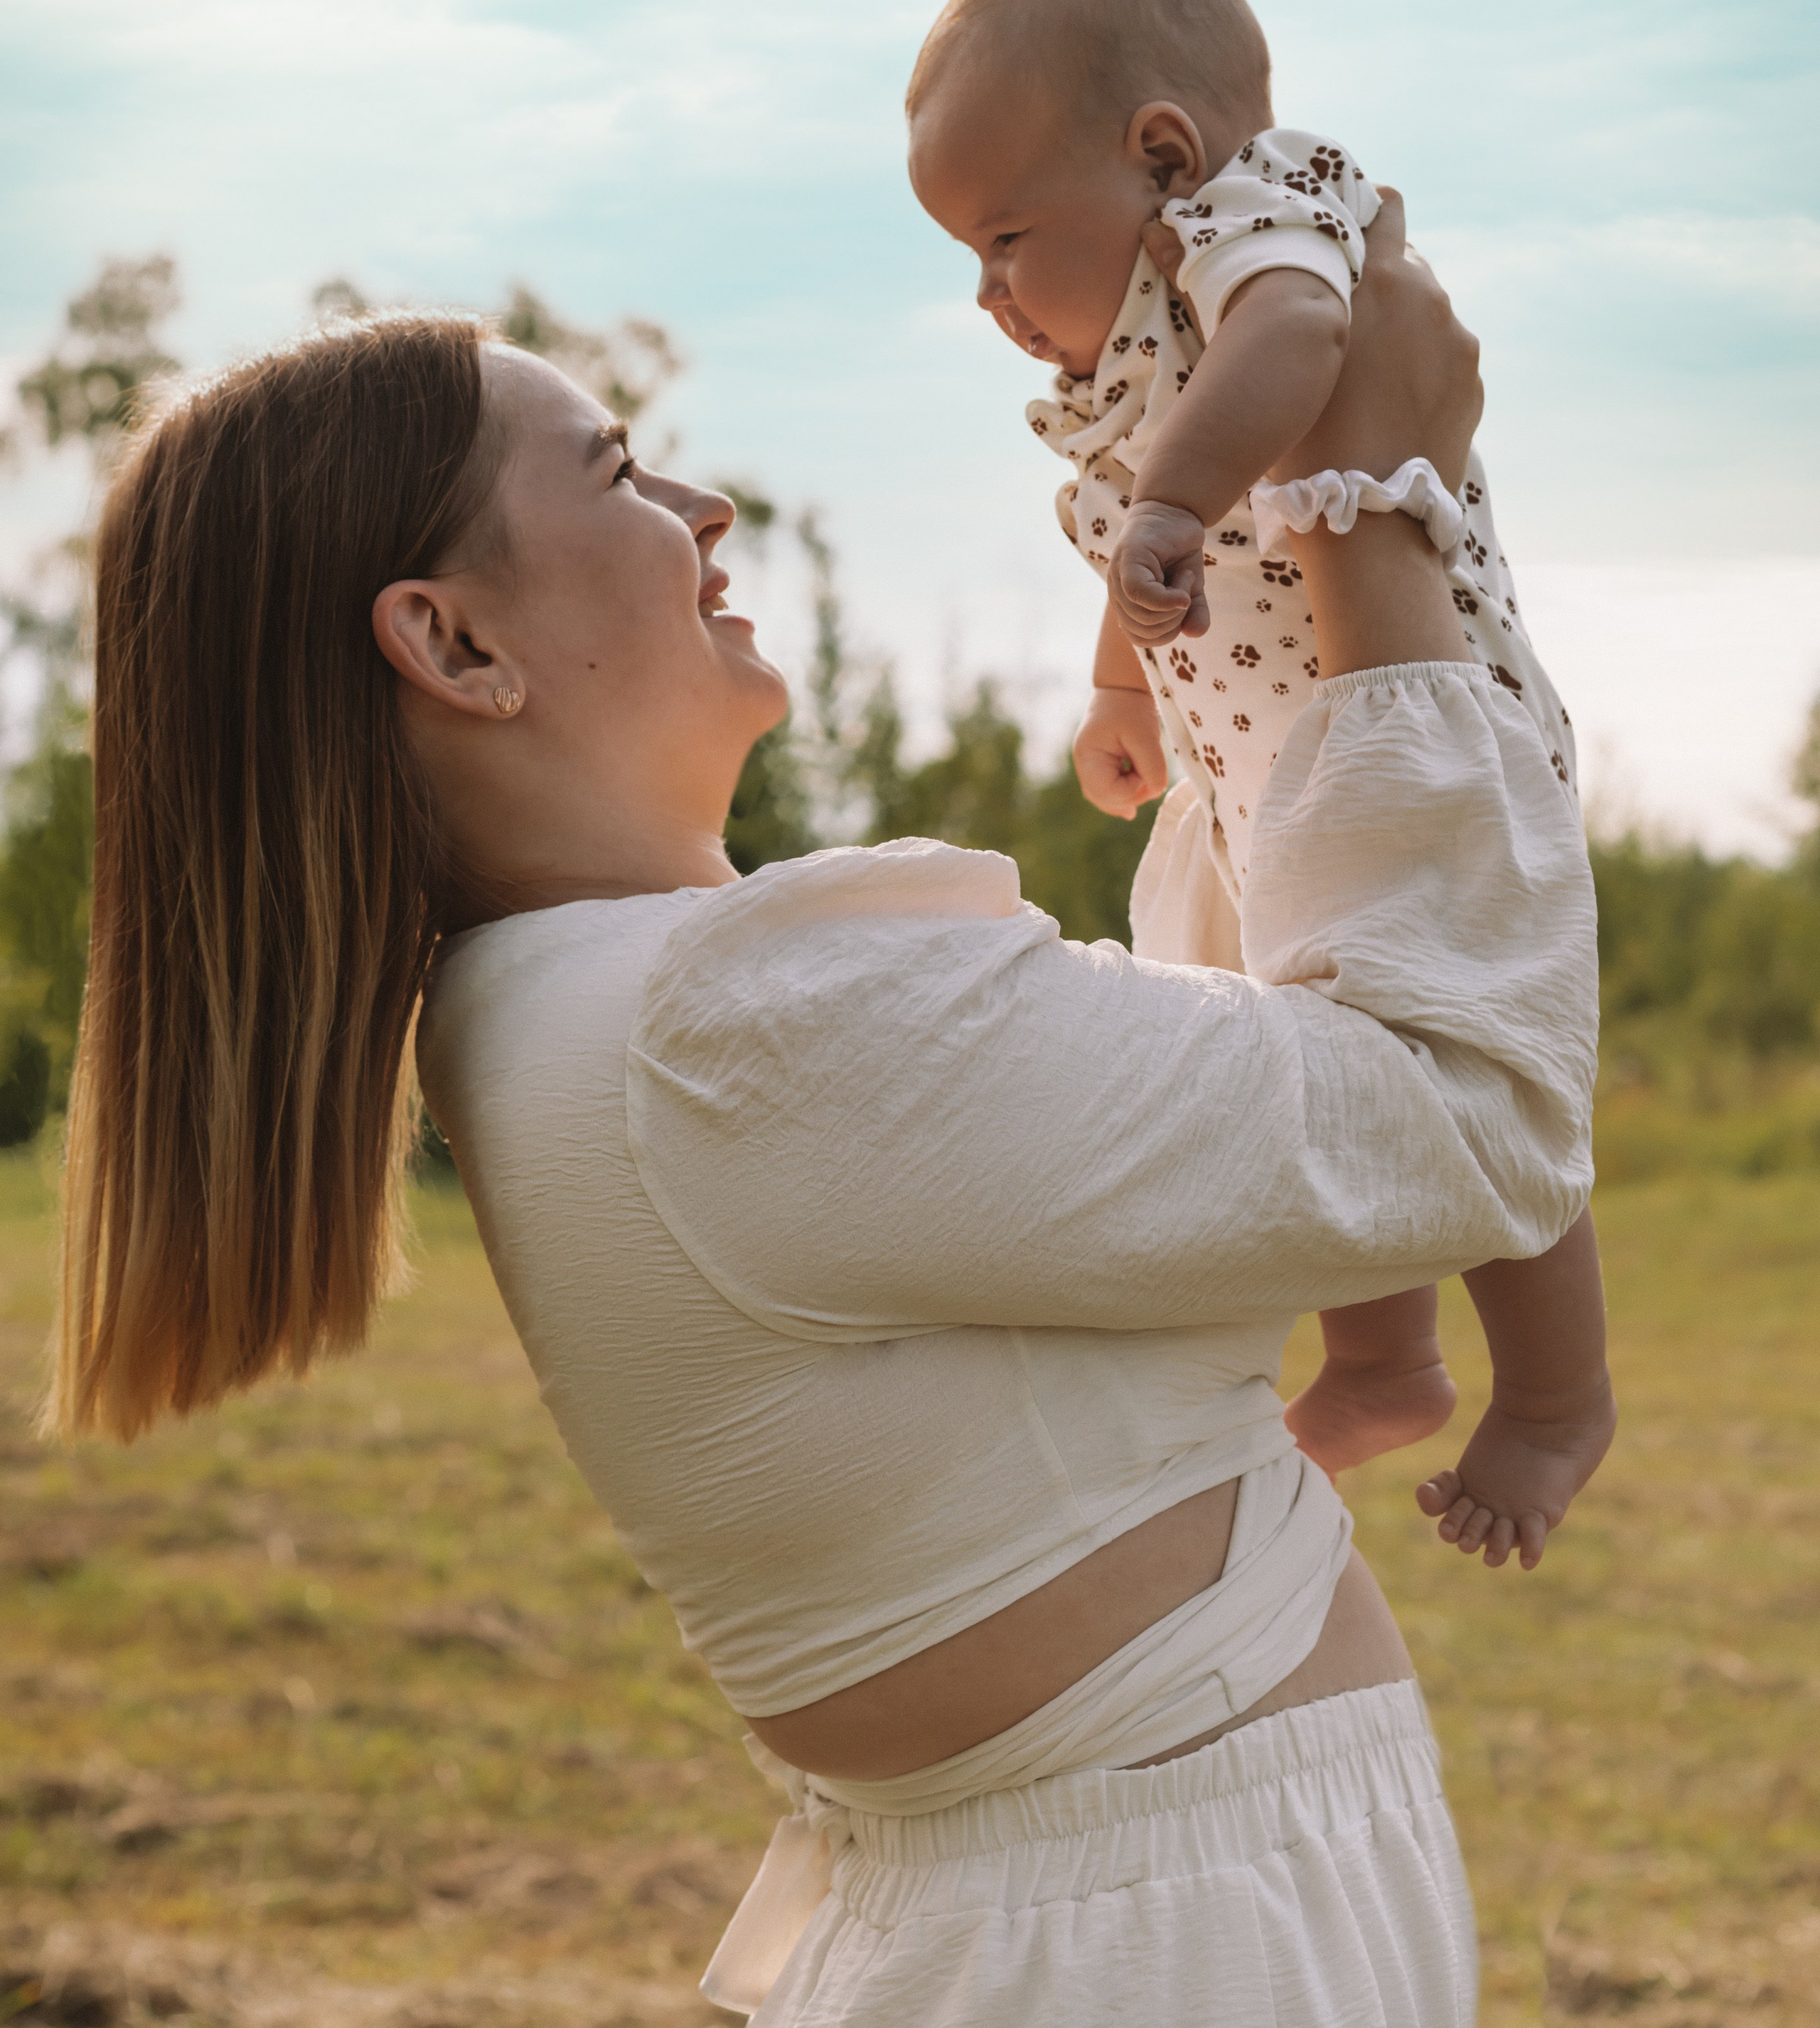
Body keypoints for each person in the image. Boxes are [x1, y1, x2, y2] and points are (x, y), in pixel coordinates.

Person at [53, 225, 1598, 2027]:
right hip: (1159, 1958)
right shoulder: (731, 1022)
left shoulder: (572, 1011)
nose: (703, 508)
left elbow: (1239, 1082)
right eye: (615, 473)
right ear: (456, 643)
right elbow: (1459, 1111)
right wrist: (1365, 510)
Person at [909, 0, 1614, 1547]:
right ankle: (1380, 1359)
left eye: (1003, 237)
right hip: (1269, 778)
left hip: (1418, 731)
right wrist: (1118, 685)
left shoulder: (1260, 217)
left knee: (1464, 1054)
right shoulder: (1148, 366)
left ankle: (1553, 1399)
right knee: (1324, 1060)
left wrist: (1169, 507)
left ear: (1160, 155)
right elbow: (1133, 519)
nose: (988, 294)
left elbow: (1291, 354)